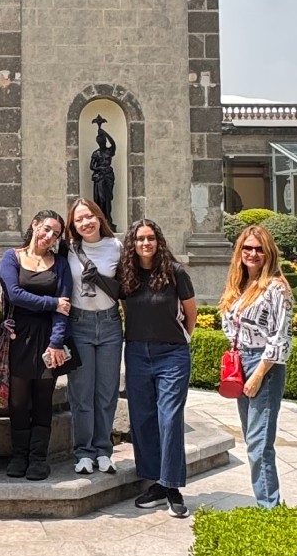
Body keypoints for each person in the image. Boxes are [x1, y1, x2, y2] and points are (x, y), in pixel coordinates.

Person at [119, 219, 196, 519]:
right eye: (140, 239)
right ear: (133, 244)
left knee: (170, 417)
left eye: (150, 238)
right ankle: (155, 481)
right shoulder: (128, 274)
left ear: (158, 241)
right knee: (143, 417)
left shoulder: (176, 273)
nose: (145, 243)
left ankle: (172, 486)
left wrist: (181, 339)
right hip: (137, 352)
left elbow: (191, 312)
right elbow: (128, 311)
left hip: (172, 354)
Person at [219, 225, 293, 509]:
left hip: (265, 365)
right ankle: (266, 503)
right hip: (242, 360)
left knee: (259, 444)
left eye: (259, 249)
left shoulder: (277, 288)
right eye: (247, 248)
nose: (252, 254)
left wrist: (259, 373)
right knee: (252, 439)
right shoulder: (240, 285)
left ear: (269, 253)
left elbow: (281, 337)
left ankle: (269, 508)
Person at [0, 210, 72, 481]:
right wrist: (51, 303)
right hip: (18, 337)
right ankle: (19, 455)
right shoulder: (12, 257)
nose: (50, 236)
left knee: (43, 400)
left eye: (56, 233)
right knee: (18, 400)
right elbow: (15, 295)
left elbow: (65, 307)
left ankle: (38, 458)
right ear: (34, 225)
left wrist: (56, 343)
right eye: (47, 229)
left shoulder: (60, 264)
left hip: (48, 337)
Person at [64, 198, 123, 475]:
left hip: (110, 323)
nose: (86, 222)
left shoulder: (116, 247)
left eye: (89, 216)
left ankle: (104, 450)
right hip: (80, 323)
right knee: (81, 392)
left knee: (107, 392)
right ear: (73, 225)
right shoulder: (69, 250)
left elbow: (124, 288)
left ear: (99, 217)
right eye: (79, 219)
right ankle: (84, 452)